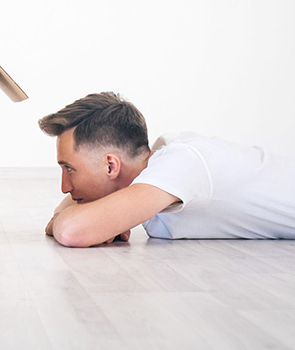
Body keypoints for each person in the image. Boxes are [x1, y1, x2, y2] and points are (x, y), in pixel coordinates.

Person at [39, 92, 295, 247]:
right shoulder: (150, 173)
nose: (65, 186)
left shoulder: (181, 162)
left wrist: (92, 223)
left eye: (69, 169)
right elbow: (64, 212)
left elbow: (71, 230)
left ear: (110, 165)